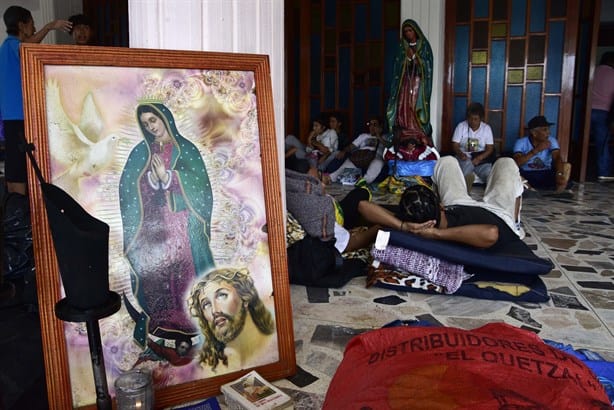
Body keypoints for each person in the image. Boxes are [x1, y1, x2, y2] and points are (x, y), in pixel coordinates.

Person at [119, 102, 215, 346]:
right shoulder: (142, 152)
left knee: (183, 270)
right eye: (146, 123)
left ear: (165, 118)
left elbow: (201, 188)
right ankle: (163, 322)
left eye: (154, 120)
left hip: (181, 222)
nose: (151, 126)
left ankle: (189, 323)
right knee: (158, 273)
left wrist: (170, 178)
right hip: (153, 223)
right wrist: (150, 180)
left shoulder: (186, 150)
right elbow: (128, 186)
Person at [357, 156, 526, 252]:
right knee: (506, 163)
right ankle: (516, 221)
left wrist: (402, 226)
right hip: (498, 215)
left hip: (459, 204)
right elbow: (491, 233)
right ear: (441, 206)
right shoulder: (443, 230)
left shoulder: (413, 219)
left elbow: (363, 206)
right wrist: (437, 234)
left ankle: (464, 184)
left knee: (446, 161)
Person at [0, 6, 72, 196]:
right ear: (22, 25)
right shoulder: (12, 46)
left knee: (23, 166)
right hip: (18, 118)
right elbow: (29, 48)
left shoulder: (9, 48)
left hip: (18, 117)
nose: (34, 27)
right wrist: (49, 27)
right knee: (18, 170)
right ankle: (19, 215)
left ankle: (22, 213)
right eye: (32, 23)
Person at [187, 268, 277, 372]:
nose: (215, 310)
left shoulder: (275, 346)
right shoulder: (206, 367)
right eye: (206, 304)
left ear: (245, 298)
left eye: (222, 295)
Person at [386, 19, 433, 147]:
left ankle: (416, 130)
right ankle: (405, 129)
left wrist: (414, 57)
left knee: (414, 105)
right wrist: (406, 59)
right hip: (405, 81)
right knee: (403, 104)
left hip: (417, 82)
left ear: (415, 31)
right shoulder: (402, 47)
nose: (408, 33)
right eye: (405, 31)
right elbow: (398, 65)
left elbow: (427, 65)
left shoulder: (423, 46)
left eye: (410, 30)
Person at [512, 115, 572, 196]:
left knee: (566, 176)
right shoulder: (521, 142)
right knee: (515, 177)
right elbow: (516, 162)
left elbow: (557, 158)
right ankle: (532, 190)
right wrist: (536, 150)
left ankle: (555, 193)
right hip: (527, 174)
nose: (548, 132)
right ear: (534, 133)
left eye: (548, 129)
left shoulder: (551, 140)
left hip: (545, 173)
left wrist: (559, 174)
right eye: (545, 130)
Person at [326, 117, 388, 185]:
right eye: (370, 124)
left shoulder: (385, 137)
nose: (371, 127)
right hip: (362, 155)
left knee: (378, 163)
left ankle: (364, 182)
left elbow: (389, 146)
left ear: (380, 127)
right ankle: (329, 178)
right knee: (348, 162)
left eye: (375, 124)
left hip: (376, 157)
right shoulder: (363, 136)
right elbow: (351, 146)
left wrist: (378, 136)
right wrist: (344, 151)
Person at [451, 102, 495, 191]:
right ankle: (463, 190)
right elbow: (455, 144)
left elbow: (490, 149)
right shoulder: (461, 126)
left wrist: (479, 158)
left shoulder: (486, 128)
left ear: (481, 119)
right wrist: (460, 154)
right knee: (467, 165)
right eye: (470, 119)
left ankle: (490, 194)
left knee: (488, 173)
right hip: (464, 157)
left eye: (476, 119)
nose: (473, 121)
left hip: (481, 159)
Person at [590, 52, 614, 182]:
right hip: (604, 112)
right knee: (602, 145)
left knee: (582, 142)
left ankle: (578, 169)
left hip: (587, 111)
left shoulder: (593, 71)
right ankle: (603, 173)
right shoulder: (613, 74)